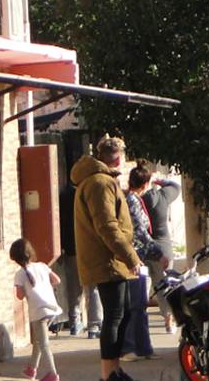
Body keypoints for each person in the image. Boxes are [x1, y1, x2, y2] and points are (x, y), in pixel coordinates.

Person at [72, 135, 141, 381]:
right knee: (115, 316)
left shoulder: (98, 180)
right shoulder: (100, 183)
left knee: (123, 314)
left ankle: (114, 369)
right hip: (108, 260)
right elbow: (107, 226)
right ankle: (108, 373)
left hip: (111, 260)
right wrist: (131, 257)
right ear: (119, 158)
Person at [121, 162, 167, 362]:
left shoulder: (131, 199)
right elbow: (140, 231)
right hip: (134, 259)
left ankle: (143, 347)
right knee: (135, 305)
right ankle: (130, 347)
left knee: (140, 304)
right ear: (145, 184)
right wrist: (158, 253)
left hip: (138, 259)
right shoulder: (132, 201)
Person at [10, 238, 63, 381]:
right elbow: (57, 280)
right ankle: (32, 369)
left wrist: (23, 289)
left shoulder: (20, 274)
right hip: (52, 308)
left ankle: (53, 374)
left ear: (15, 258)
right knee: (39, 340)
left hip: (38, 312)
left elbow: (20, 296)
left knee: (44, 344)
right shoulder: (42, 266)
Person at [56, 180, 103, 338]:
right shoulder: (90, 194)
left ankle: (75, 322)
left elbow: (60, 223)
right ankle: (94, 325)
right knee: (93, 288)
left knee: (74, 288)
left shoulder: (64, 197)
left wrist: (61, 246)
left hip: (71, 249)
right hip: (90, 248)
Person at [141, 169, 181, 334]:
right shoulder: (163, 196)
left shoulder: (136, 200)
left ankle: (140, 323)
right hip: (163, 248)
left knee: (141, 288)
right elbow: (176, 187)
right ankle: (168, 320)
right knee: (164, 286)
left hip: (142, 248)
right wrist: (159, 180)